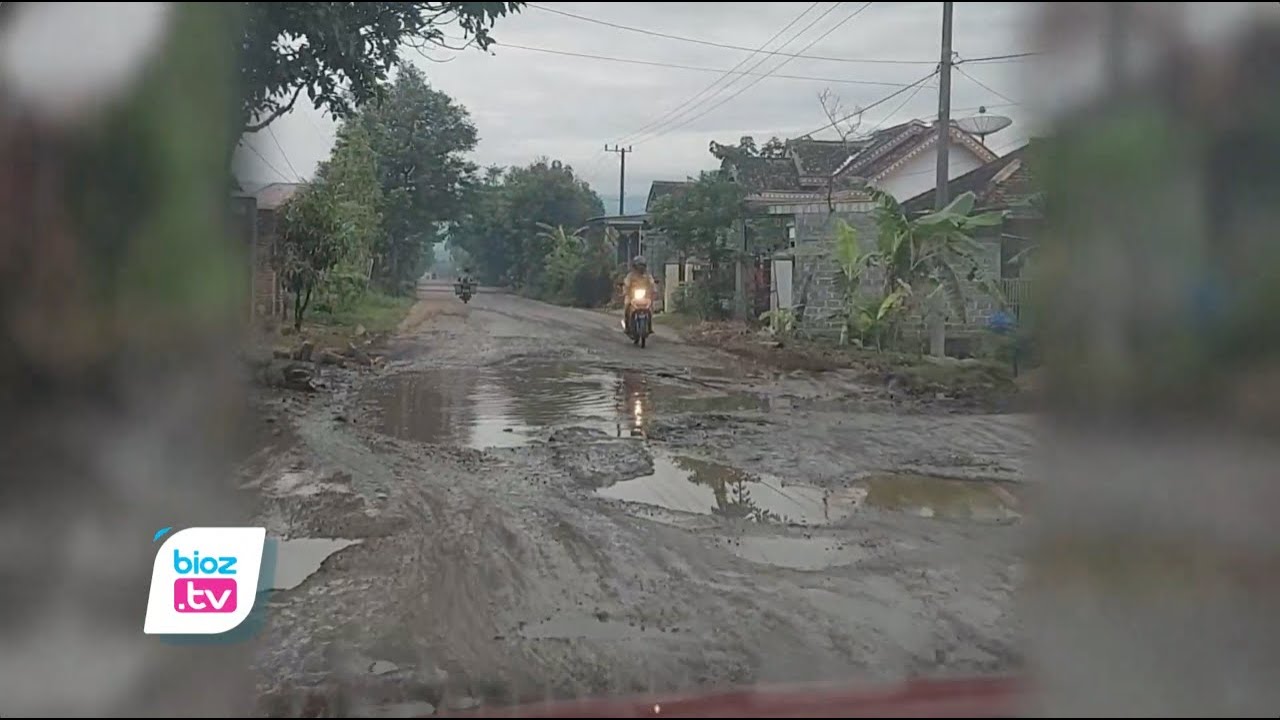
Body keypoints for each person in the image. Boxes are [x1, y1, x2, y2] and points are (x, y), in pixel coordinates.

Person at [621, 255, 657, 334]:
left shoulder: (647, 275)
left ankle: (649, 326)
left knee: (650, 309)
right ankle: (627, 326)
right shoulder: (631, 276)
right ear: (635, 267)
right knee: (627, 306)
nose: (640, 268)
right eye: (639, 266)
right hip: (632, 297)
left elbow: (652, 283)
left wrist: (654, 290)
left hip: (645, 297)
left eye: (642, 266)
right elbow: (626, 284)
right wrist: (625, 291)